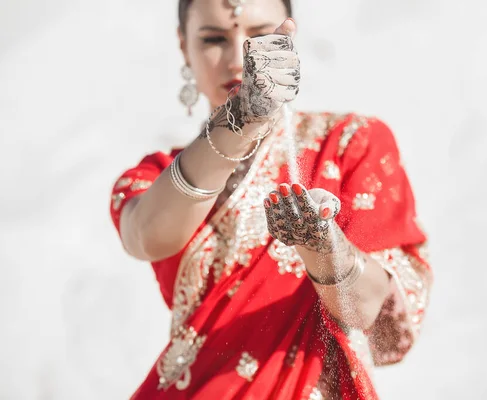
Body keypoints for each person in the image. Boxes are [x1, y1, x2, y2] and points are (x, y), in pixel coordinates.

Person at [109, 0, 432, 398]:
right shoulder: (155, 177)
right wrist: (242, 117)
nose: (238, 59)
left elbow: (376, 322)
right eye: (213, 39)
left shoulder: (351, 143)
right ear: (183, 46)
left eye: (260, 37)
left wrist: (323, 246)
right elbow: (148, 236)